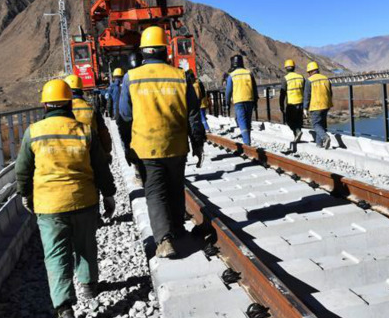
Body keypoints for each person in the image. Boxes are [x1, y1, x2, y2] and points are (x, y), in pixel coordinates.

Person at [16, 79, 117, 318]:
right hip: (83, 200)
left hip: (49, 206)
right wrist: (109, 194)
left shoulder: (33, 132)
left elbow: (23, 171)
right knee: (85, 245)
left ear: (45, 105)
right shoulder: (84, 131)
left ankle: (64, 310)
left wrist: (25, 194)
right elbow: (100, 168)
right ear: (70, 102)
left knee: (55, 255)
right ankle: (89, 285)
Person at [119, 26, 205, 258]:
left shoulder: (131, 78)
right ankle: (177, 229)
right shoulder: (180, 76)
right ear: (165, 50)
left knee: (155, 192)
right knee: (176, 188)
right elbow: (193, 114)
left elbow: (124, 116)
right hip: (176, 145)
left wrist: (128, 146)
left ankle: (164, 240)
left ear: (144, 51)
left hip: (146, 147)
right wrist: (198, 142)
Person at [64, 74, 112, 161]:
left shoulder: (64, 110)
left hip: (71, 153)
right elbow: (102, 131)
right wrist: (107, 151)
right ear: (81, 89)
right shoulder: (91, 107)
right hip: (92, 151)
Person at [225, 54, 258, 144]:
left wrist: (227, 103)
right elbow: (255, 89)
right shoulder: (249, 73)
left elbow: (228, 91)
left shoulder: (232, 75)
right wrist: (256, 102)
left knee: (241, 121)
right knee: (248, 121)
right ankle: (248, 141)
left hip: (238, 101)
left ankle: (247, 143)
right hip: (250, 100)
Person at [303, 61, 333, 148]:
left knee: (316, 124)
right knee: (322, 125)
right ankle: (319, 144)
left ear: (310, 72)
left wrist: (305, 108)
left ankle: (325, 137)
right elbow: (330, 93)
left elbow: (307, 95)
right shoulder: (326, 78)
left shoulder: (309, 81)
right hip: (326, 105)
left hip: (316, 106)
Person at [279, 59, 304, 143]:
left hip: (291, 104)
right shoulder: (301, 77)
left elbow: (282, 94)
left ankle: (297, 132)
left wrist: (281, 105)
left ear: (286, 68)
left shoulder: (285, 78)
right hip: (301, 102)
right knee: (298, 121)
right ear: (294, 67)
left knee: (289, 121)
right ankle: (297, 138)